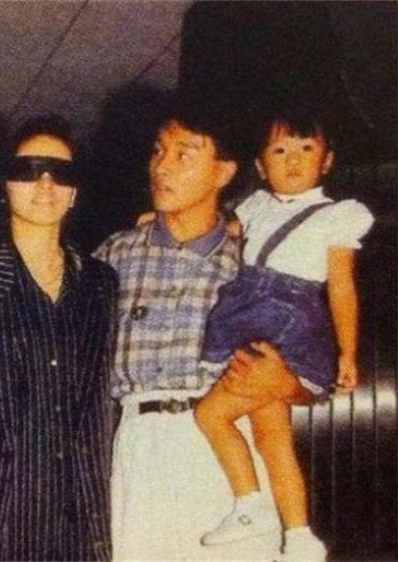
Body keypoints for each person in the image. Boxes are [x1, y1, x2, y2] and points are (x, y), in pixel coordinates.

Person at [95, 97, 289, 560]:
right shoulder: (114, 256)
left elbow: (308, 367)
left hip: (228, 452)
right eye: (159, 151)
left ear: (223, 172)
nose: (162, 166)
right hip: (141, 447)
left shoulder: (252, 263)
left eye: (184, 154)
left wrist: (289, 384)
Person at [193, 107, 374, 561]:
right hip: (252, 320)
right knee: (272, 438)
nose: (293, 159)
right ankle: (299, 538)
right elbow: (216, 233)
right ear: (260, 166)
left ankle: (249, 505)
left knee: (211, 415)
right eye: (280, 150)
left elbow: (342, 287)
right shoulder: (255, 206)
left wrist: (348, 352)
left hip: (286, 325)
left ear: (327, 161)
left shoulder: (339, 215)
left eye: (306, 148)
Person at [0, 115, 117, 560]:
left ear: (74, 191)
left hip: (81, 521)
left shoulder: (101, 285)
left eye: (60, 173)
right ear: (4, 184)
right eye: (29, 170)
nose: (45, 183)